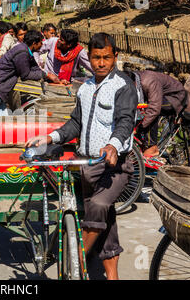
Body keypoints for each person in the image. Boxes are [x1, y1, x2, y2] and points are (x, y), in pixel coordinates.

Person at [26, 33, 138, 280]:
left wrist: (112, 145)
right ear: (89, 57)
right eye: (96, 57)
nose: (100, 63)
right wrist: (51, 138)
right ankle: (112, 277)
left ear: (115, 57)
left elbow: (125, 121)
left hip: (114, 165)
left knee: (99, 206)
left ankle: (74, 261)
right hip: (86, 166)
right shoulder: (85, 87)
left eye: (106, 57)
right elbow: (75, 122)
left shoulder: (123, 86)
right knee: (105, 224)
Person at [0, 30, 61, 116]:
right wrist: (47, 75)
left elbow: (35, 68)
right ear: (34, 43)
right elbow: (25, 75)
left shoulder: (27, 51)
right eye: (40, 43)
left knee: (2, 121)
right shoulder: (22, 52)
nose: (42, 45)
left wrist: (51, 77)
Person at [125, 68, 188, 157]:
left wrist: (138, 128)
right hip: (160, 95)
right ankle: (140, 145)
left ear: (133, 83)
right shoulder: (135, 81)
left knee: (150, 111)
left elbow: (154, 109)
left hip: (176, 98)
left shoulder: (149, 81)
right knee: (140, 109)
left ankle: (151, 147)